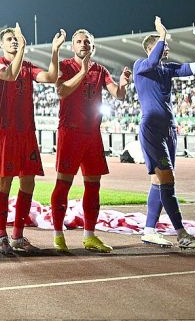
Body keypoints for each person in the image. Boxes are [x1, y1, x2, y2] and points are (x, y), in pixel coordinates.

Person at [133, 16, 195, 249]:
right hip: (152, 129)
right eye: (162, 45)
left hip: (169, 129)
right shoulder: (141, 66)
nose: (167, 47)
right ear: (151, 48)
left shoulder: (168, 70)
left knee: (159, 180)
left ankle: (149, 231)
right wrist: (162, 35)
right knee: (167, 179)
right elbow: (153, 59)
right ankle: (182, 233)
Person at [51, 29, 131, 253]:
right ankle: (58, 235)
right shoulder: (66, 67)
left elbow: (119, 94)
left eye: (87, 41)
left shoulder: (100, 70)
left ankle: (90, 236)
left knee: (93, 185)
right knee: (63, 184)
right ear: (72, 46)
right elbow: (61, 91)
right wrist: (82, 72)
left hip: (92, 134)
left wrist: (123, 84)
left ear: (93, 47)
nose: (83, 44)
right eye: (78, 41)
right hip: (70, 132)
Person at [0, 23, 64, 254]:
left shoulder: (28, 67)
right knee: (5, 182)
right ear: (1, 44)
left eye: (15, 39)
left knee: (28, 183)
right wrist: (22, 47)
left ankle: (18, 236)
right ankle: (1, 235)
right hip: (7, 131)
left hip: (27, 132)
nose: (13, 41)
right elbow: (10, 76)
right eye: (9, 39)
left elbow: (51, 77)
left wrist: (54, 50)